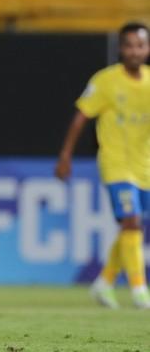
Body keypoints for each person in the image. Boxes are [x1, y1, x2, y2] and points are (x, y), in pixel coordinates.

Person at [56, 22, 150, 310]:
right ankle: (139, 290)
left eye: (140, 45)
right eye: (129, 45)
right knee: (132, 221)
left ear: (147, 49)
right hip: (116, 163)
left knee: (131, 226)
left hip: (144, 166)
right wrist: (65, 155)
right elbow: (81, 116)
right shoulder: (106, 81)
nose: (134, 51)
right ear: (120, 49)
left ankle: (105, 282)